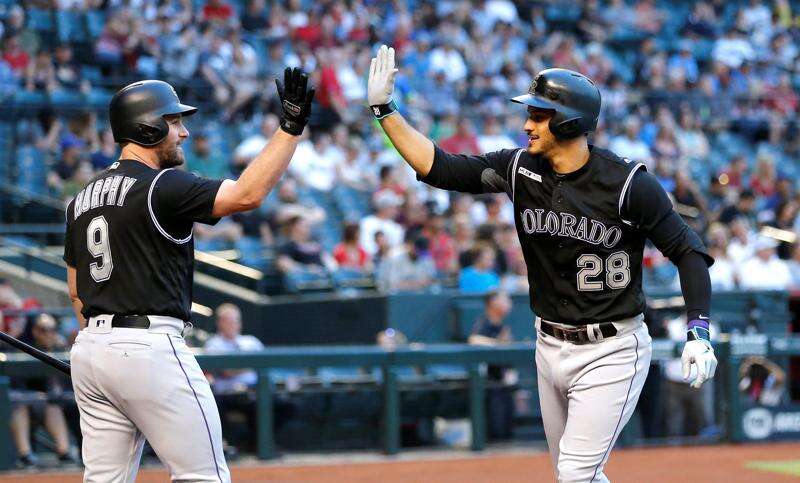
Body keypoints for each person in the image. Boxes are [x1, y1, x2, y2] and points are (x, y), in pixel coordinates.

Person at [367, 45, 716, 482]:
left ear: (570, 121)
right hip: (548, 344)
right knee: (575, 475)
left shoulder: (628, 184)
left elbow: (688, 251)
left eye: (539, 114)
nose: (527, 124)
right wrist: (385, 110)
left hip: (612, 348)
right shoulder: (519, 170)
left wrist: (698, 330)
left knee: (574, 474)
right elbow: (440, 168)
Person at [63, 70, 314, 482]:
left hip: (91, 350)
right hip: (149, 345)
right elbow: (246, 195)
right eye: (173, 121)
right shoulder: (162, 185)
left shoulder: (80, 200)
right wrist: (290, 129)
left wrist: (104, 353)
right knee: (204, 477)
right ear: (147, 127)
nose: (182, 131)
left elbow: (77, 291)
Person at [10, 314, 78, 468]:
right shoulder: (25, 349)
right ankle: (25, 456)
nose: (49, 334)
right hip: (30, 403)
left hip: (60, 403)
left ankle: (65, 452)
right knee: (24, 408)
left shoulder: (62, 349)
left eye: (53, 329)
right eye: (44, 330)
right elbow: (16, 387)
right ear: (35, 331)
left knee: (54, 407)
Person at [468, 291, 515, 439]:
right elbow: (473, 340)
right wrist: (499, 344)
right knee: (496, 433)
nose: (508, 303)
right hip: (487, 385)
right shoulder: (484, 322)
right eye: (504, 300)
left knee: (506, 432)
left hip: (503, 383)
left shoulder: (501, 325)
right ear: (493, 303)